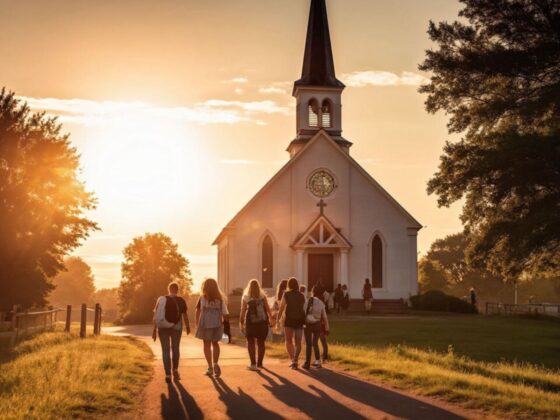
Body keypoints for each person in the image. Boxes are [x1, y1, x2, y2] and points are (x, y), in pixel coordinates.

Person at [152, 282, 190, 383]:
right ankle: (175, 371)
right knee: (175, 348)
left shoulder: (161, 300)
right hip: (176, 327)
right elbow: (185, 315)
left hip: (162, 327)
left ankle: (168, 374)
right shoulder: (181, 300)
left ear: (168, 289)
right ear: (177, 290)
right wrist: (188, 326)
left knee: (165, 351)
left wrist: (154, 330)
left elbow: (156, 316)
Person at [195, 278, 229, 378]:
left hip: (205, 323)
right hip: (217, 324)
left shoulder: (202, 298)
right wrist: (225, 323)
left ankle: (210, 367)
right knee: (215, 343)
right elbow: (225, 313)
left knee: (206, 344)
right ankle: (215, 364)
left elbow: (198, 311)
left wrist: (197, 323)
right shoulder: (220, 299)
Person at [239, 279, 274, 371]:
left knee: (251, 342)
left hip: (250, 324)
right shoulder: (262, 296)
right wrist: (271, 319)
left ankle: (253, 364)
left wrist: (241, 322)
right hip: (262, 323)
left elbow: (242, 311)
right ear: (258, 287)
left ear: (249, 287)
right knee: (261, 342)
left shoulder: (246, 297)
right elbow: (267, 309)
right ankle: (260, 364)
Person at [277, 277, 305, 369]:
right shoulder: (301, 295)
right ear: (297, 285)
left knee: (288, 341)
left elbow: (281, 308)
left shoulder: (286, 294)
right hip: (299, 320)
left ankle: (293, 360)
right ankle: (296, 360)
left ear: (289, 285)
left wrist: (278, 319)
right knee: (298, 342)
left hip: (289, 320)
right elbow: (303, 308)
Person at [303, 286, 330, 369]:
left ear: (313, 292)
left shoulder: (308, 301)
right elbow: (325, 317)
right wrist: (327, 327)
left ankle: (307, 363)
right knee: (315, 343)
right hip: (317, 325)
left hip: (308, 325)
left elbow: (303, 312)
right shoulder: (321, 303)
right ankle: (318, 362)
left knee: (308, 344)